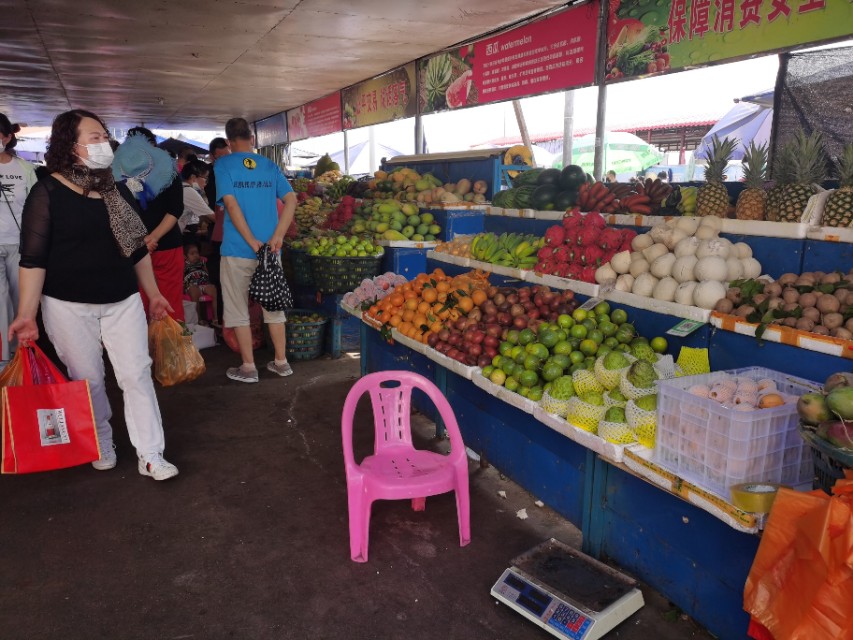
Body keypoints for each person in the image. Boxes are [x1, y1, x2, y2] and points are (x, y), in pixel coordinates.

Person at [9, 109, 179, 481]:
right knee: (89, 379)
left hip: (122, 299)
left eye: (105, 136)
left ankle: (151, 454)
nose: (104, 144)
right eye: (95, 137)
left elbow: (135, 248)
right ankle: (101, 440)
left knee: (136, 374)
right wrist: (26, 313)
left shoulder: (116, 190)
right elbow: (33, 259)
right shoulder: (47, 191)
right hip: (67, 305)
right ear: (70, 146)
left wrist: (152, 294)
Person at [215, 117, 296, 383]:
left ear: (228, 141)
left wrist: (250, 240)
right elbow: (291, 198)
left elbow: (231, 204)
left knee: (237, 307)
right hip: (271, 253)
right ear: (252, 138)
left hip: (238, 250)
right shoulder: (269, 166)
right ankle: (281, 363)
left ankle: (249, 368)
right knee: (273, 305)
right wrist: (278, 236)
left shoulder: (223, 164)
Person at [114, 127, 185, 321]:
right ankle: (173, 350)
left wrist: (145, 241)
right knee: (169, 304)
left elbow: (119, 214)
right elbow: (175, 210)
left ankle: (146, 350)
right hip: (164, 245)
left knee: (141, 305)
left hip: (140, 249)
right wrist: (151, 239)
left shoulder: (120, 174)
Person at [0, 113, 36, 365]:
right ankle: (5, 358)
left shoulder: (25, 168)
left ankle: (20, 353)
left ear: (7, 137)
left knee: (19, 299)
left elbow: (37, 207)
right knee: (0, 300)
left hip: (20, 244)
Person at [205, 137, 230, 323]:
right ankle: (223, 321)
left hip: (230, 234)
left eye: (226, 154)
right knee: (224, 281)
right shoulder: (214, 176)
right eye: (220, 156)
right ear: (213, 157)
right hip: (221, 235)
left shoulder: (231, 171)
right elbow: (218, 203)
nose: (224, 159)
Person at [183, 242, 218, 326]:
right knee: (194, 291)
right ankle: (198, 319)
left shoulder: (201, 263)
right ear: (185, 257)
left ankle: (215, 318)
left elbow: (207, 274)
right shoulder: (184, 264)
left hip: (203, 284)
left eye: (197, 253)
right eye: (192, 254)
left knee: (213, 289)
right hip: (191, 286)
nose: (195, 255)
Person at [178, 158, 214, 235]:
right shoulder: (189, 191)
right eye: (206, 178)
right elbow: (213, 217)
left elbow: (205, 217)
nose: (206, 182)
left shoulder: (181, 188)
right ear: (193, 177)